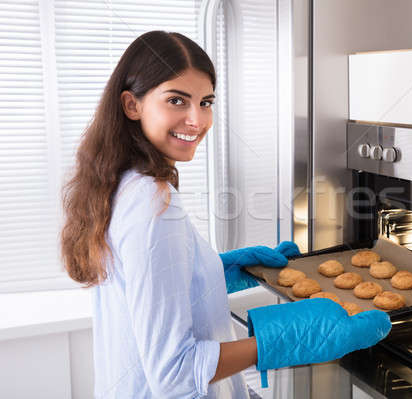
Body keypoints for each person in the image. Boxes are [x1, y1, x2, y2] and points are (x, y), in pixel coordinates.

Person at [60, 31, 391, 399]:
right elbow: (176, 376)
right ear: (131, 105)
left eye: (205, 102)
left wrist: (211, 273)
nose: (196, 120)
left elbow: (144, 289)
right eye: (176, 100)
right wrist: (284, 338)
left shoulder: (118, 183)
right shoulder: (152, 203)